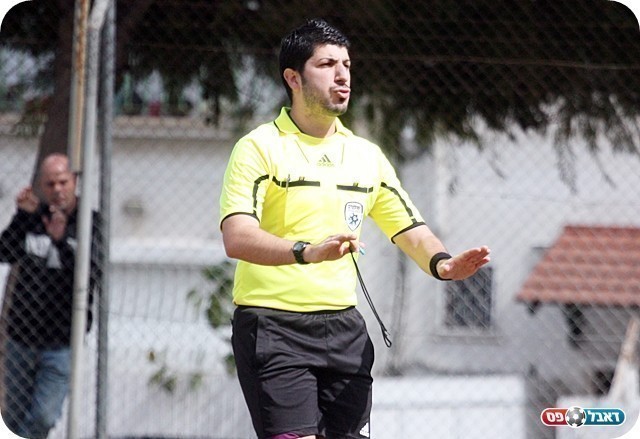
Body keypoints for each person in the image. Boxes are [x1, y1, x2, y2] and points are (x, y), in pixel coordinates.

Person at [219, 18, 491, 439]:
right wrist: (307, 251)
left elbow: (410, 228)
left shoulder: (366, 156)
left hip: (344, 330)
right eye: (327, 64)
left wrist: (443, 265)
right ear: (293, 78)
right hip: (273, 327)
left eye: (346, 64)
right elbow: (237, 237)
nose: (342, 75)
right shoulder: (259, 147)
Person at [0, 153, 101, 438]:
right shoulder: (33, 217)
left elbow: (91, 272)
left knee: (43, 416)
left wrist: (60, 241)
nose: (57, 190)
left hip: (61, 339)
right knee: (13, 417)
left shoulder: (88, 222)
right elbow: (5, 252)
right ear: (41, 187)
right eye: (50, 184)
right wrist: (21, 216)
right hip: (22, 336)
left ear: (74, 182)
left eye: (62, 182)